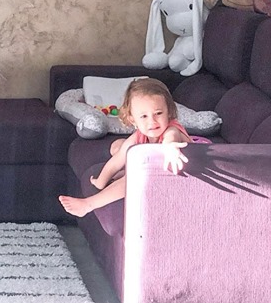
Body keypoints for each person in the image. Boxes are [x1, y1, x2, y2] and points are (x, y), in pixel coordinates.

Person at [59, 77, 196, 217]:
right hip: (155, 166)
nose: (152, 121)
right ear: (133, 119)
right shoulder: (139, 135)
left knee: (134, 178)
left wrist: (171, 149)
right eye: (144, 116)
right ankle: (126, 170)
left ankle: (88, 205)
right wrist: (100, 182)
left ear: (169, 112)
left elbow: (171, 138)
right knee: (119, 147)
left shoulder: (171, 130)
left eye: (158, 113)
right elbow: (117, 160)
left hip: (187, 171)